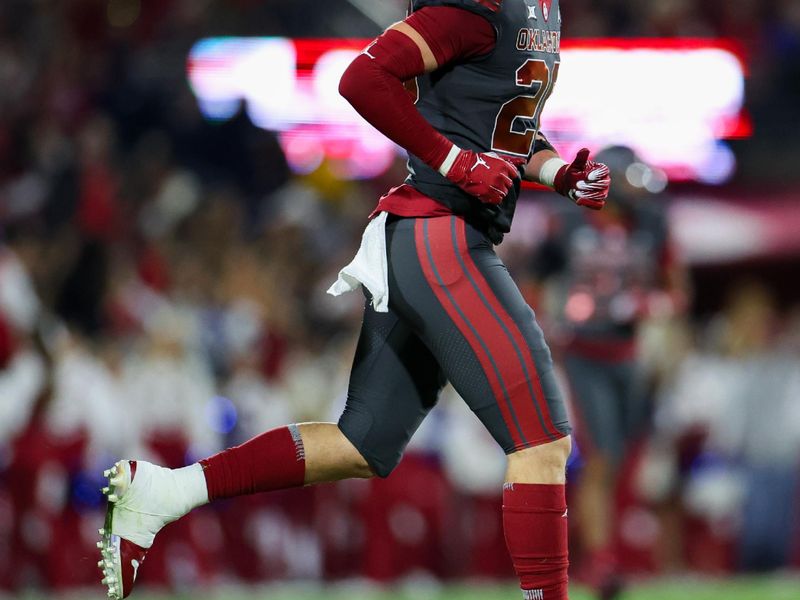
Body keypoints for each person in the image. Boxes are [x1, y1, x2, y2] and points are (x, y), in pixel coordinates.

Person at [97, 2, 610, 599]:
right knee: (541, 440)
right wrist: (454, 161)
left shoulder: (535, 9)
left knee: (360, 443)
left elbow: (501, 126)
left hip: (435, 237)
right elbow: (362, 77)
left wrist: (556, 175)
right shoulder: (479, 8)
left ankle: (165, 492)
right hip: (440, 235)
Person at [533, 146, 686, 598]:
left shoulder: (653, 225)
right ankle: (601, 564)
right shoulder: (569, 224)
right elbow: (533, 285)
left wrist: (645, 304)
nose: (640, 188)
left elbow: (678, 290)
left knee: (624, 459)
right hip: (582, 354)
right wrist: (547, 329)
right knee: (600, 460)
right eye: (632, 179)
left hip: (630, 355)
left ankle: (605, 552)